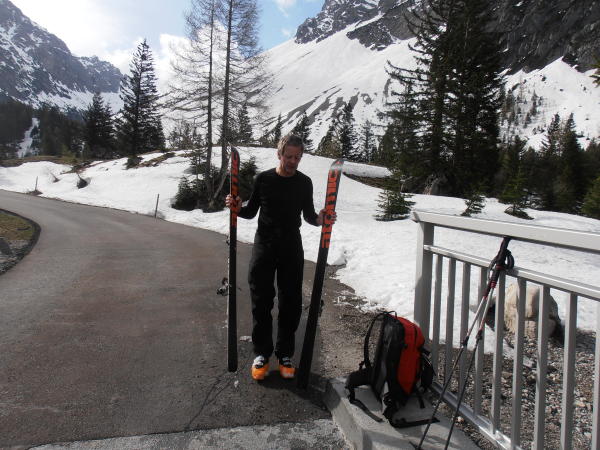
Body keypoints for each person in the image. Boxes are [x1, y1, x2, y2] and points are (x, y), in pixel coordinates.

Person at [225, 134, 336, 380]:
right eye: (289, 156)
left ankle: (285, 354)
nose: (293, 161)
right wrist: (237, 208)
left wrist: (319, 219)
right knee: (261, 300)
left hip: (291, 246)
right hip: (264, 245)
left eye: (297, 157)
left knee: (291, 302)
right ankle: (262, 354)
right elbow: (250, 212)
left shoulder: (304, 182)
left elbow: (308, 215)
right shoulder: (263, 179)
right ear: (279, 154)